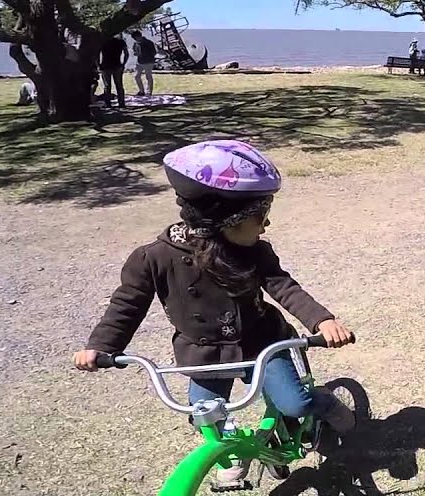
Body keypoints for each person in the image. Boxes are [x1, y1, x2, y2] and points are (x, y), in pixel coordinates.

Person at [72, 140, 356, 488]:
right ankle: (231, 452)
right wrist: (102, 345)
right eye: (258, 215)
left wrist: (321, 320)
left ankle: (324, 404)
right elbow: (127, 305)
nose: (266, 224)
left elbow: (283, 286)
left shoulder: (256, 252)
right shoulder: (153, 259)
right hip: (204, 354)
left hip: (262, 343)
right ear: (224, 220)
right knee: (204, 414)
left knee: (294, 404)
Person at [98, 34, 129, 108]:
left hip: (105, 66)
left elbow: (96, 54)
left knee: (107, 86)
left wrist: (98, 64)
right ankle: (121, 103)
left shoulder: (102, 42)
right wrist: (123, 64)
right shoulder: (120, 42)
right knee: (119, 85)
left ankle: (107, 103)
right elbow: (126, 53)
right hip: (117, 66)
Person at [129, 30, 157, 97]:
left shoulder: (148, 42)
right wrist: (136, 53)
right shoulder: (136, 43)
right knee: (137, 76)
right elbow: (135, 50)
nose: (136, 39)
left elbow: (154, 52)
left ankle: (149, 92)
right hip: (140, 62)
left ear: (139, 36)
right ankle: (141, 91)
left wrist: (144, 54)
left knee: (148, 76)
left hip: (148, 61)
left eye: (136, 38)